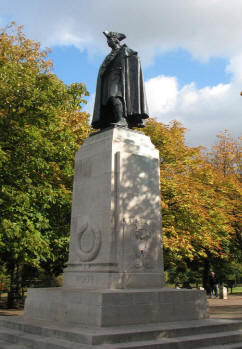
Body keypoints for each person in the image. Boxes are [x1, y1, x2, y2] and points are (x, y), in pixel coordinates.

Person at [92, 31, 149, 130]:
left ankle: (122, 119)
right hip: (109, 78)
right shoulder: (109, 55)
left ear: (116, 40)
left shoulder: (125, 50)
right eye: (107, 40)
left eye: (110, 40)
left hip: (119, 76)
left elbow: (134, 59)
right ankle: (111, 120)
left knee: (114, 95)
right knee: (107, 100)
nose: (108, 42)